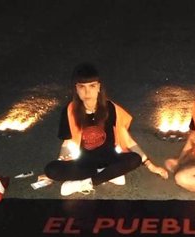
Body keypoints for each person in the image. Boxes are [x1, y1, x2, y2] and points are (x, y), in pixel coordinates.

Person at [44, 63, 168, 196]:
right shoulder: (70, 111)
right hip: (84, 163)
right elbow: (67, 143)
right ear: (76, 89)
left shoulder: (110, 108)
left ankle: (87, 183)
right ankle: (107, 175)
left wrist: (150, 165)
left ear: (99, 87)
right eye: (82, 87)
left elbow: (128, 140)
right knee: (51, 170)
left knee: (134, 159)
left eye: (92, 86)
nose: (87, 92)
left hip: (110, 158)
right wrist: (60, 161)